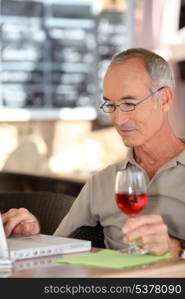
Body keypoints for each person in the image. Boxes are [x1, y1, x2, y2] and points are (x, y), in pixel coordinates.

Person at [2, 48, 185, 258]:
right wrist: (32, 236)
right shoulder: (102, 182)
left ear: (164, 99)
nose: (118, 119)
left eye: (128, 104)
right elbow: (60, 250)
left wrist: (176, 249)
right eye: (111, 105)